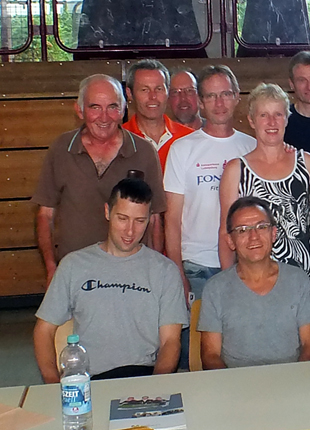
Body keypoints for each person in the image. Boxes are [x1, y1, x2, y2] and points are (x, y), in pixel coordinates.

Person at [33, 179, 187, 382]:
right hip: (91, 380)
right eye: (122, 219)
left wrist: (156, 385)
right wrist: (54, 385)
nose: (130, 231)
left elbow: (170, 341)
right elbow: (43, 331)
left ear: (149, 219)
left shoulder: (165, 271)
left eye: (140, 221)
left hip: (145, 376)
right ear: (107, 212)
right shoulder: (74, 265)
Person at [32, 74, 167, 286]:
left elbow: (155, 218)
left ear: (123, 110)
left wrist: (154, 272)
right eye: (95, 107)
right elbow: (45, 215)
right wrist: (51, 269)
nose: (104, 117)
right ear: (79, 110)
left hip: (130, 275)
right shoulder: (61, 149)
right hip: (74, 274)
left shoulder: (144, 152)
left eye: (112, 107)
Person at [164, 65, 257, 369]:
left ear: (237, 97)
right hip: (197, 268)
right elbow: (172, 218)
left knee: (241, 347)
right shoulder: (182, 149)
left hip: (245, 264)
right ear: (201, 102)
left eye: (225, 94)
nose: (219, 103)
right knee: (198, 356)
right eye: (211, 96)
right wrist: (178, 272)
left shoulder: (252, 146)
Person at [219, 83, 310, 286]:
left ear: (287, 118)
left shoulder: (306, 162)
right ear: (251, 120)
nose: (271, 122)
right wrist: (228, 283)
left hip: (309, 279)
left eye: (278, 114)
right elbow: (226, 231)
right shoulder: (236, 170)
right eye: (263, 115)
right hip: (255, 282)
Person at [199, 197, 310, 369]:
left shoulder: (298, 280)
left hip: (291, 378)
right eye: (242, 230)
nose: (253, 237)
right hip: (235, 381)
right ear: (230, 241)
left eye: (261, 227)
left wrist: (295, 378)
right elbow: (210, 355)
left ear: (273, 233)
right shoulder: (215, 288)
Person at [122, 59, 196, 168]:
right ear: (129, 94)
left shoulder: (190, 138)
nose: (153, 97)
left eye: (159, 89)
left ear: (167, 91)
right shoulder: (120, 139)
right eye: (144, 90)